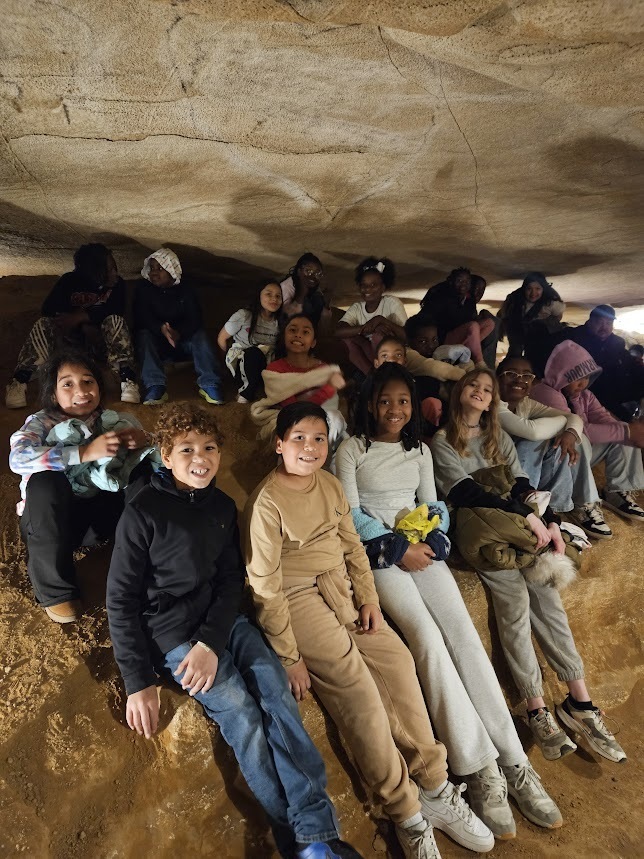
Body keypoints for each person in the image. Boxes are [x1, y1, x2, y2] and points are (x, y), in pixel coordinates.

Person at [106, 402, 361, 859]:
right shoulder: (143, 512)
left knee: (275, 691)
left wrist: (213, 641)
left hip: (223, 624)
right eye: (186, 449)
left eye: (209, 447)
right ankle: (300, 842)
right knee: (242, 714)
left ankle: (318, 830)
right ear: (166, 456)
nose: (199, 457)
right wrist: (138, 681)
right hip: (173, 634)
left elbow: (229, 582)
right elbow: (121, 600)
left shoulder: (223, 506)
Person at [243, 401, 495, 859]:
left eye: (319, 438)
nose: (310, 446)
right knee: (357, 690)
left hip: (339, 586)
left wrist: (369, 599)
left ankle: (436, 786)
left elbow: (353, 547)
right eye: (298, 437)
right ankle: (406, 813)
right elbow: (265, 587)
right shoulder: (266, 504)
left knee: (398, 661)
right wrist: (289, 655)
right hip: (297, 598)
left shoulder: (331, 485)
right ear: (279, 444)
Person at [335, 363, 562, 839]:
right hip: (382, 559)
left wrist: (430, 541)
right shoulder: (351, 450)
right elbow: (351, 513)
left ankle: (514, 761)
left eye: (403, 401)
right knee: (426, 640)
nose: (394, 410)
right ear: (370, 403)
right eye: (385, 400)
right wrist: (399, 548)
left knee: (462, 635)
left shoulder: (418, 450)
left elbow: (433, 503)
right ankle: (479, 767)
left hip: (423, 552)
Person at [430, 369, 627, 766]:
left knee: (547, 597)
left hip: (519, 523)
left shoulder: (496, 435)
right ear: (459, 393)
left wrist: (544, 515)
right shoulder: (441, 442)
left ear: (492, 400)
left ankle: (580, 700)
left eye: (487, 390)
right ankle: (536, 706)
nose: (480, 393)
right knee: (513, 604)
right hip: (485, 532)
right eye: (473, 386)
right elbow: (466, 492)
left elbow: (520, 481)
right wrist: (529, 518)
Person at [9, 350, 155, 623]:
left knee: (140, 467)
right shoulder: (40, 422)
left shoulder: (112, 420)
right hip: (53, 523)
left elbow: (156, 451)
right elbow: (17, 458)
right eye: (68, 384)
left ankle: (144, 562)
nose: (81, 390)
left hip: (103, 518)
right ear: (53, 394)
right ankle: (57, 591)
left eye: (88, 381)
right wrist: (84, 451)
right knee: (44, 480)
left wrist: (143, 439)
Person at [6, 243, 140, 408]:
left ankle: (127, 379)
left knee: (115, 321)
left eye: (115, 268)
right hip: (70, 346)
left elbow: (116, 310)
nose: (115, 273)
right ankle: (20, 381)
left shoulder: (117, 285)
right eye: (110, 269)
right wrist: (78, 323)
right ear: (95, 272)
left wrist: (82, 317)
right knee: (44, 324)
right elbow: (48, 309)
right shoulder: (69, 281)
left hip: (101, 346)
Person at [496, 355, 612, 539]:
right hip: (499, 474)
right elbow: (532, 432)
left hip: (523, 469)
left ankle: (554, 511)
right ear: (498, 377)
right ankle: (530, 505)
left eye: (526, 375)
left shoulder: (526, 404)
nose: (519, 379)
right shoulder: (494, 404)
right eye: (511, 374)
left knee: (566, 439)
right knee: (539, 439)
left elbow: (574, 419)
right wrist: (563, 426)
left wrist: (569, 433)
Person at [529, 341, 644, 522]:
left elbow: (603, 419)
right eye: (577, 377)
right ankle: (582, 502)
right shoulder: (546, 393)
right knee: (580, 437)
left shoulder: (584, 396)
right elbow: (580, 429)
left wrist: (628, 432)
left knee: (623, 433)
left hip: (576, 459)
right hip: (552, 462)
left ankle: (618, 489)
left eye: (587, 377)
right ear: (562, 375)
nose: (583, 383)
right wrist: (626, 432)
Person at [134, 249, 224, 406]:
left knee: (200, 335)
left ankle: (210, 384)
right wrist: (161, 328)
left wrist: (178, 333)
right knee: (144, 336)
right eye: (152, 268)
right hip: (158, 344)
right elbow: (142, 317)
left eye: (160, 269)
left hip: (182, 342)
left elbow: (195, 319)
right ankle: (156, 386)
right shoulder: (144, 289)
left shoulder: (186, 289)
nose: (154, 273)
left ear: (171, 270)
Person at [250, 315, 347, 448]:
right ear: (284, 336)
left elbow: (329, 406)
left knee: (335, 418)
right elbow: (293, 409)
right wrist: (328, 387)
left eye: (305, 332)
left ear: (313, 342)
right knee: (287, 430)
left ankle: (321, 457)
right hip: (291, 419)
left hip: (319, 420)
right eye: (293, 330)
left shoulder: (324, 370)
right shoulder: (274, 370)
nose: (298, 335)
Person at [553, 305, 644, 421]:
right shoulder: (573, 338)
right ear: (590, 322)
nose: (604, 327)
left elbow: (629, 361)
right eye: (600, 322)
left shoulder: (617, 342)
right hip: (586, 389)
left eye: (608, 323)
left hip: (614, 388)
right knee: (624, 420)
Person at [336, 257, 407, 376]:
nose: (368, 289)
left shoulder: (392, 303)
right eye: (363, 285)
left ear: (383, 287)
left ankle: (383, 373)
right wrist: (364, 328)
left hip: (390, 357)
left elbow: (406, 336)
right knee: (347, 339)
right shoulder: (357, 308)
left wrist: (382, 320)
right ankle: (372, 375)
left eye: (374, 285)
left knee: (378, 336)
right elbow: (338, 331)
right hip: (370, 358)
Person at [217, 279, 283, 403]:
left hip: (265, 366)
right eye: (269, 294)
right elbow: (222, 338)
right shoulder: (244, 315)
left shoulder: (279, 322)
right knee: (254, 353)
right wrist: (224, 366)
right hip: (241, 364)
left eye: (278, 296)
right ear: (259, 295)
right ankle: (245, 394)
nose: (274, 299)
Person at [419, 269, 494, 366]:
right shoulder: (444, 297)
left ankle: (466, 349)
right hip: (443, 336)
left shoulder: (468, 299)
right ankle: (479, 362)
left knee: (489, 322)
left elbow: (469, 318)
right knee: (473, 326)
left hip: (459, 333)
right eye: (459, 281)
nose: (463, 284)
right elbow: (448, 321)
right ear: (451, 281)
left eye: (467, 281)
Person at [373, 334, 443, 432]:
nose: (392, 360)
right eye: (385, 356)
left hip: (418, 429)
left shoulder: (421, 383)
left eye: (398, 355)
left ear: (405, 361)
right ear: (376, 363)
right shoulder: (371, 386)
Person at [498, 273, 565, 361]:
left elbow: (558, 316)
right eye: (529, 289)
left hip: (540, 332)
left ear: (543, 289)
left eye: (538, 289)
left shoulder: (551, 301)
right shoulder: (514, 299)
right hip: (517, 326)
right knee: (515, 351)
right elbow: (504, 316)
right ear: (524, 289)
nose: (533, 293)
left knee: (537, 352)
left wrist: (546, 322)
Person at [281, 253, 331, 326]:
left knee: (318, 299)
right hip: (290, 328)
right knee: (308, 303)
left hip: (307, 326)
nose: (313, 276)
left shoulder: (313, 286)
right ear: (299, 271)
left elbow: (325, 320)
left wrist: (326, 304)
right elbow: (286, 320)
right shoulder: (286, 288)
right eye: (308, 271)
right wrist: (301, 294)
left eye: (318, 273)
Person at [470, 276, 500, 369]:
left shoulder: (470, 304)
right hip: (462, 342)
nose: (479, 292)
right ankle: (487, 369)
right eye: (476, 288)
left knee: (493, 320)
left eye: (482, 289)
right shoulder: (463, 302)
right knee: (492, 323)